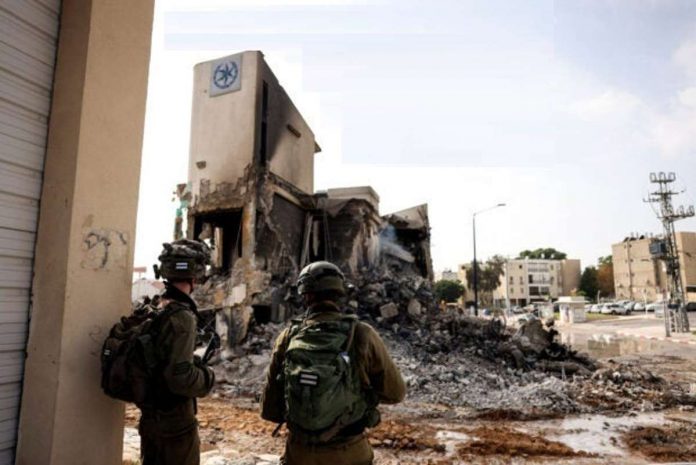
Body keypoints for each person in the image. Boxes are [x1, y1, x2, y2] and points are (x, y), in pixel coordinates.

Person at [260, 261, 406, 465]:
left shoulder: (288, 337)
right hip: (351, 453)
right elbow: (396, 392)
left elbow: (269, 410)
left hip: (300, 454)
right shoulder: (362, 334)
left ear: (305, 295)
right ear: (340, 292)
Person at [139, 239, 216, 465]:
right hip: (174, 425)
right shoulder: (182, 316)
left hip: (151, 419)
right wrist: (207, 376)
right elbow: (180, 378)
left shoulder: (154, 307)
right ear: (196, 276)